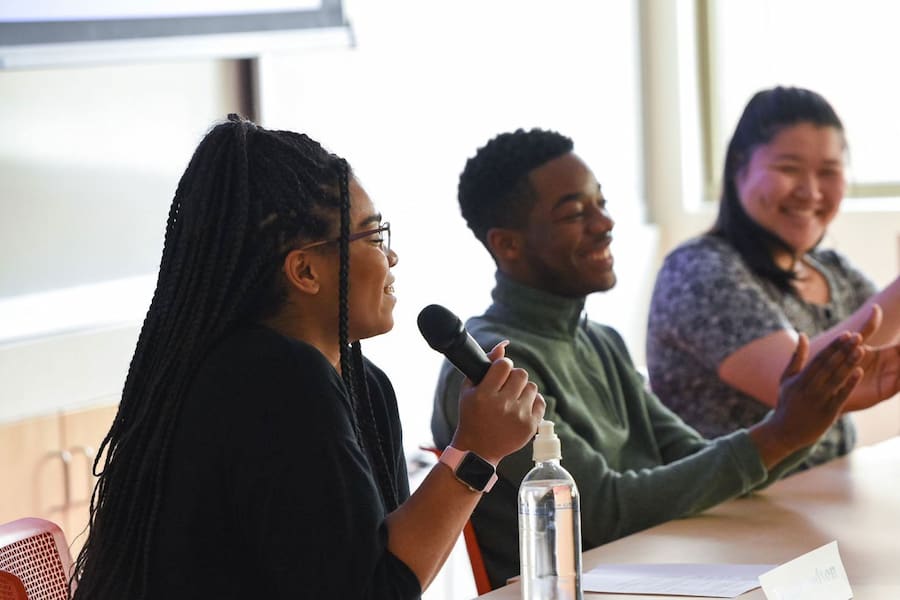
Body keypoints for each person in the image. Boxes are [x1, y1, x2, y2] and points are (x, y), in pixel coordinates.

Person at [71, 115, 544, 600]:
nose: (392, 257)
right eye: (373, 236)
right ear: (304, 270)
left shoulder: (360, 382)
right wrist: (476, 451)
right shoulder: (273, 383)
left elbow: (389, 571)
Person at [430, 127, 872, 590]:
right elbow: (600, 514)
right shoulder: (495, 367)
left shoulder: (601, 341)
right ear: (508, 245)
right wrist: (781, 433)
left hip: (658, 571)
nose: (604, 223)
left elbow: (693, 458)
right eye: (576, 213)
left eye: (600, 203)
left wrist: (800, 424)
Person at [647, 86, 900, 470]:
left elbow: (873, 344)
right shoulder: (699, 270)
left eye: (829, 171)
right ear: (738, 168)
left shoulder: (833, 270)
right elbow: (796, 383)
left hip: (823, 499)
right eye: (788, 169)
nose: (810, 191)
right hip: (727, 512)